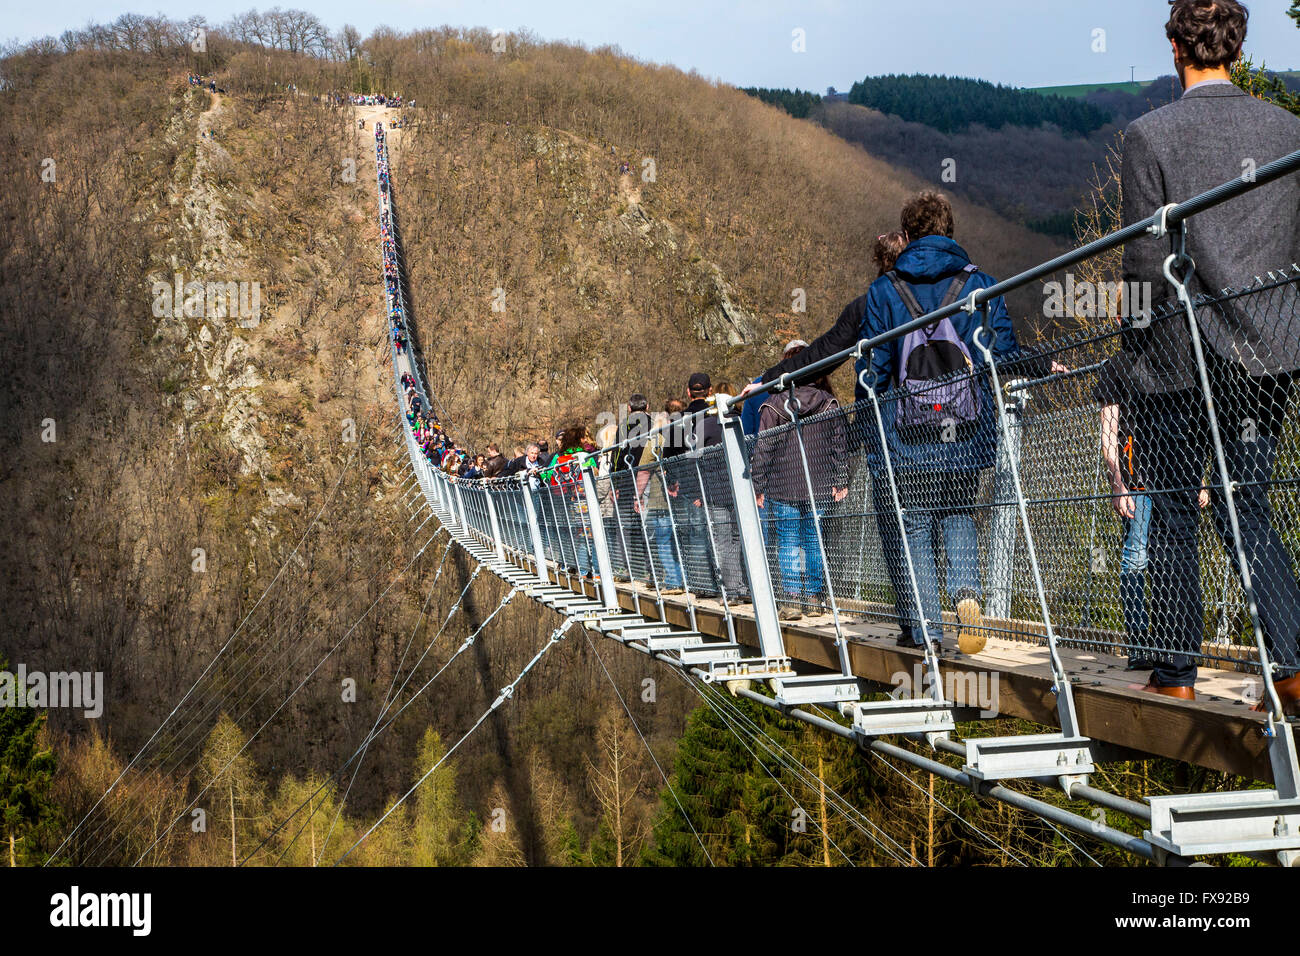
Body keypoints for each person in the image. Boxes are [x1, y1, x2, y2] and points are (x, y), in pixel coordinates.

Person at [1118, 0, 1300, 703]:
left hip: (1177, 351)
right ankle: (1289, 663)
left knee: (1169, 505)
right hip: (1270, 349)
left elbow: (1142, 260)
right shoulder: (1288, 131)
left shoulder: (1149, 134)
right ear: (1238, 47)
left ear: (1174, 47)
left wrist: (1130, 355)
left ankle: (1176, 674)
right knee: (1242, 501)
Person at [745, 191, 1022, 652]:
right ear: (950, 231)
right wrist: (1040, 364)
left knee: (911, 525)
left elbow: (869, 369)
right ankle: (969, 597)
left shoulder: (883, 291)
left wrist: (778, 383)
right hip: (966, 428)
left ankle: (926, 630)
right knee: (956, 513)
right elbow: (1002, 354)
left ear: (908, 234)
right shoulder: (981, 284)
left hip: (905, 431)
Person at [750, 374, 849, 620]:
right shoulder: (829, 403)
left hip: (784, 484)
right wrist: (841, 479)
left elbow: (763, 448)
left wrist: (758, 485)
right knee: (813, 540)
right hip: (820, 483)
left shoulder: (774, 404)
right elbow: (840, 445)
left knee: (788, 542)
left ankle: (792, 600)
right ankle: (814, 599)